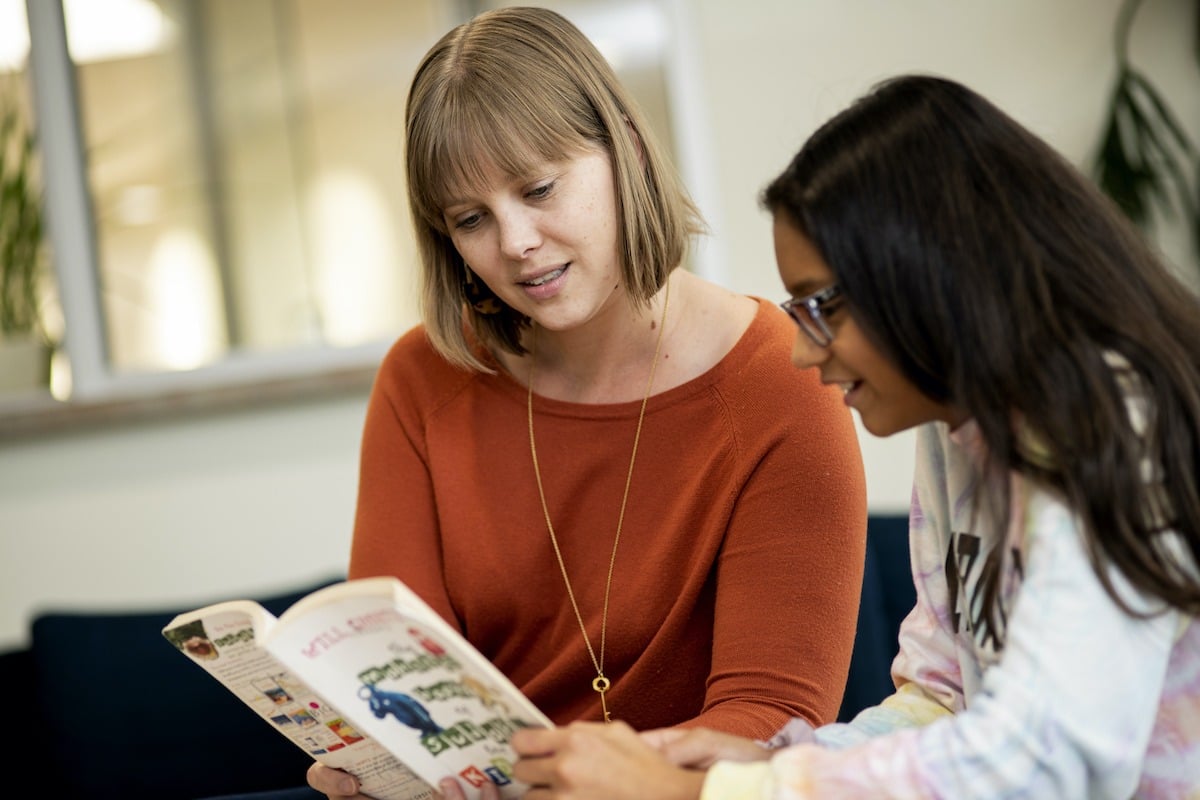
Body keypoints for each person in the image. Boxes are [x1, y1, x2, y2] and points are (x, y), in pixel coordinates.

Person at [489, 74, 1200, 799]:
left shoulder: (1110, 417)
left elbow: (1052, 758)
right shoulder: (961, 431)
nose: (803, 351)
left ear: (931, 268)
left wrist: (704, 796)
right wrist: (760, 768)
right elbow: (943, 698)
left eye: (821, 307)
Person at [303, 6, 867, 799]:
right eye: (472, 219)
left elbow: (769, 723)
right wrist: (370, 757)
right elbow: (395, 676)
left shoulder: (782, 381)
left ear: (625, 151)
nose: (516, 243)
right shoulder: (422, 378)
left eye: (539, 189)